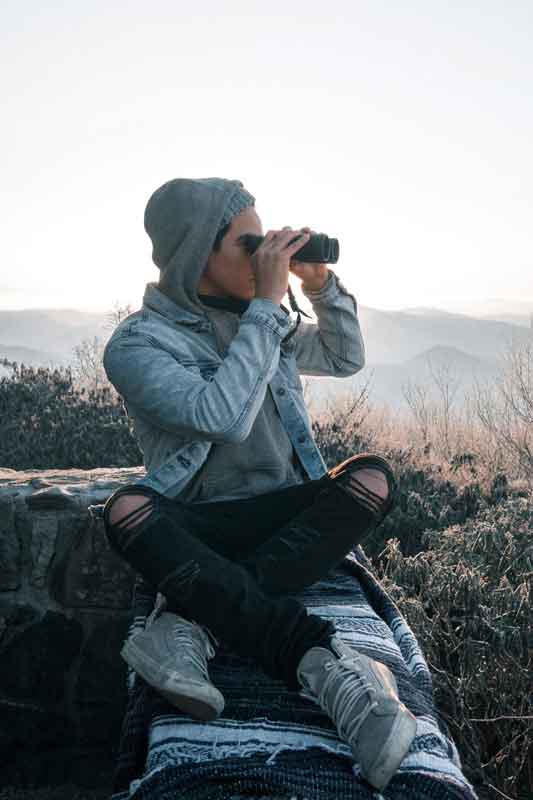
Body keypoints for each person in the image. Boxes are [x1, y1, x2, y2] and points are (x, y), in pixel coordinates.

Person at [101, 177, 417, 792]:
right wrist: (269, 308)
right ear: (197, 253)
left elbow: (345, 356)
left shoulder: (265, 322)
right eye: (250, 244)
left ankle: (196, 620)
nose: (263, 256)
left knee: (372, 477)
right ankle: (321, 664)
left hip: (280, 511)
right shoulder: (138, 343)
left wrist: (319, 287)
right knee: (128, 510)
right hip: (202, 520)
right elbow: (222, 417)